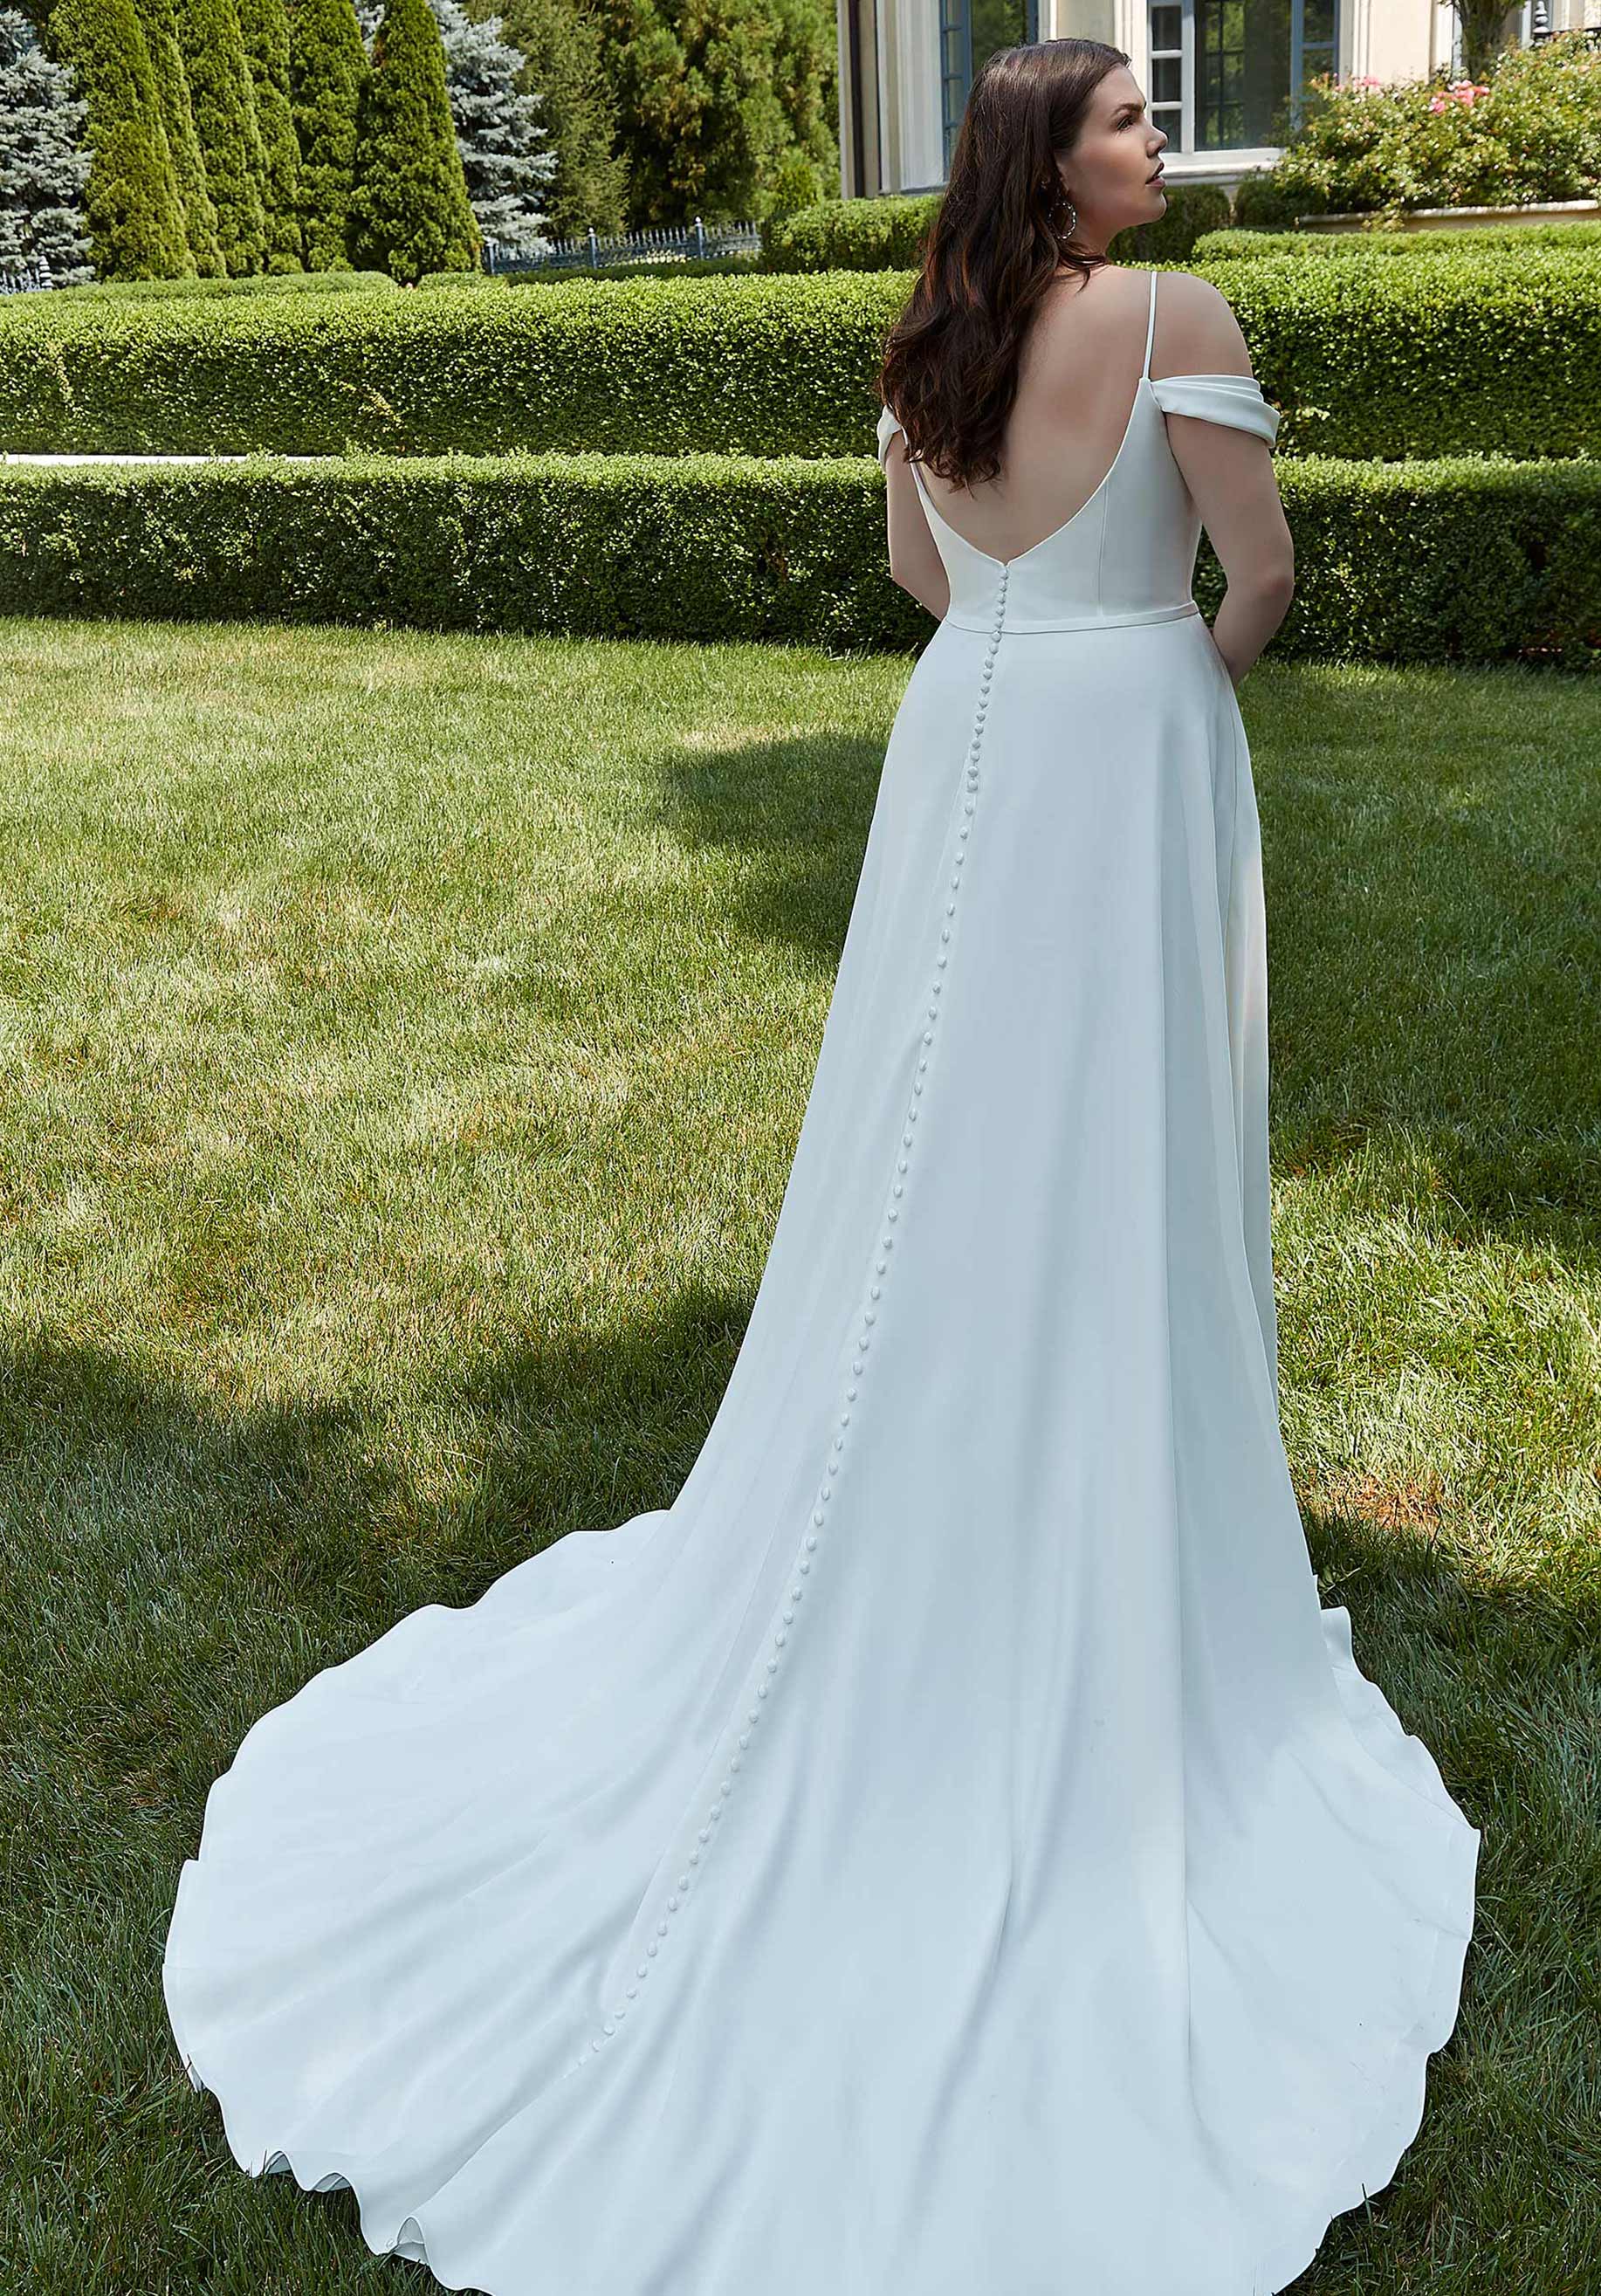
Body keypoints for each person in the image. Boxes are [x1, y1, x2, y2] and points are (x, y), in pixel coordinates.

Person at [161, 38, 1481, 2296]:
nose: (1157, 144)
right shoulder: (1177, 318)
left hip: (967, 739)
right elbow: (1257, 578)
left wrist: (1038, 648)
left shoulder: (926, 342)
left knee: (927, 1142)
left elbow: (919, 576)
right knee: (1115, 1145)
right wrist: (1162, 682)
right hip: (1121, 741)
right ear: (1052, 158)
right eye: (1128, 121)